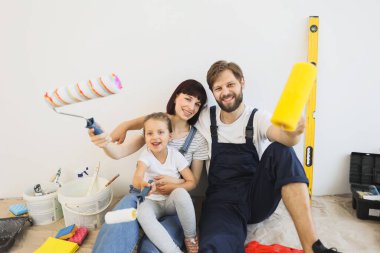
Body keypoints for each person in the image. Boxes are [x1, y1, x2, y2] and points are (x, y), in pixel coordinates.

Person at [112, 61, 341, 253]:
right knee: (214, 245)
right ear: (213, 93)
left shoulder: (257, 117)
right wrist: (126, 124)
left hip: (255, 197)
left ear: (242, 83)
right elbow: (164, 119)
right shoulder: (204, 116)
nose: (225, 92)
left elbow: (283, 136)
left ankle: (313, 246)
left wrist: (294, 133)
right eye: (218, 88)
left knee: (282, 149)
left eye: (230, 84)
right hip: (222, 201)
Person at [89, 79, 208, 253]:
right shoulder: (155, 125)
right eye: (188, 98)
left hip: (174, 203)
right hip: (145, 197)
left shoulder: (197, 140)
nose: (191, 107)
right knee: (117, 226)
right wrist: (105, 143)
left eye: (197, 104)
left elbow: (193, 182)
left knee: (150, 250)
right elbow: (119, 153)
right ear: (176, 97)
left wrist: (174, 183)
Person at [135, 112, 198, 253]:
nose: (155, 137)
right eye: (149, 133)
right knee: (142, 212)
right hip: (152, 202)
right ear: (145, 137)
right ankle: (173, 251)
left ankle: (191, 237)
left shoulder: (175, 155)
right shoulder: (145, 156)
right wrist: (141, 184)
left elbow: (192, 182)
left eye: (160, 132)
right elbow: (137, 177)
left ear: (169, 136)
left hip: (170, 202)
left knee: (181, 193)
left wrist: (174, 186)